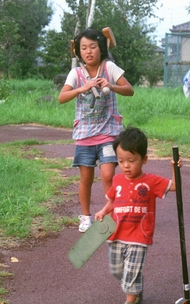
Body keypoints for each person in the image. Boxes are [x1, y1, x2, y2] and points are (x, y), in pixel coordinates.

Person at [94, 127, 182, 304]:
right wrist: (103, 211)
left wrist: (174, 169)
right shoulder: (116, 180)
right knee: (117, 271)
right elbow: (111, 202)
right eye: (121, 161)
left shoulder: (151, 181)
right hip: (116, 234)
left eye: (131, 161)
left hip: (139, 236)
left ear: (144, 159)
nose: (125, 166)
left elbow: (174, 186)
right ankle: (135, 286)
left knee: (131, 272)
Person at [58, 28, 134, 232]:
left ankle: (111, 214)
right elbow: (61, 97)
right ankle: (85, 216)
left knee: (108, 174)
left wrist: (111, 85)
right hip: (84, 134)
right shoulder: (76, 73)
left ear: (101, 48)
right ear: (79, 51)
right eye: (84, 48)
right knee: (86, 177)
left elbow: (129, 90)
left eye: (93, 46)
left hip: (109, 132)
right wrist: (81, 89)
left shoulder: (109, 67)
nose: (88, 51)